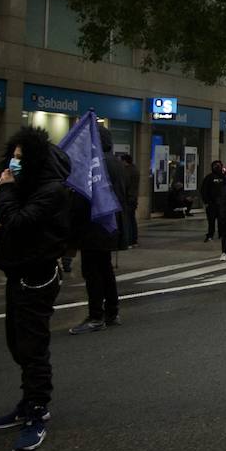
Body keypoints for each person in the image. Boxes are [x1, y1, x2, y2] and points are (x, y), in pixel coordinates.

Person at [0, 126, 72, 451]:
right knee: (16, 341)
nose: (14, 163)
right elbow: (18, 228)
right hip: (17, 271)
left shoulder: (52, 191)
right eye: (13, 157)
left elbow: (24, 223)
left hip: (37, 276)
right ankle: (26, 400)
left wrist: (4, 193)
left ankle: (37, 408)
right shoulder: (27, 190)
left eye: (20, 158)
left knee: (32, 345)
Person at [67, 125, 130, 335]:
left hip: (94, 224)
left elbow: (83, 198)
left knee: (92, 271)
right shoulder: (117, 164)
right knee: (105, 269)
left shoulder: (93, 164)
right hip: (111, 223)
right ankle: (112, 312)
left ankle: (96, 315)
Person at [200, 160, 226, 242]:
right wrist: (206, 202)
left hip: (222, 203)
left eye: (219, 166)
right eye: (215, 166)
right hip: (211, 203)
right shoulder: (209, 178)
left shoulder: (224, 177)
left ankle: (221, 234)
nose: (217, 167)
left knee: (221, 220)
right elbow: (204, 190)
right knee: (211, 221)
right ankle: (210, 234)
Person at [121, 154, 140, 247]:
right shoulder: (135, 169)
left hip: (129, 198)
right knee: (132, 219)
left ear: (125, 161)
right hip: (133, 198)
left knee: (128, 220)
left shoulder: (128, 171)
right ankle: (134, 240)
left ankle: (129, 240)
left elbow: (125, 184)